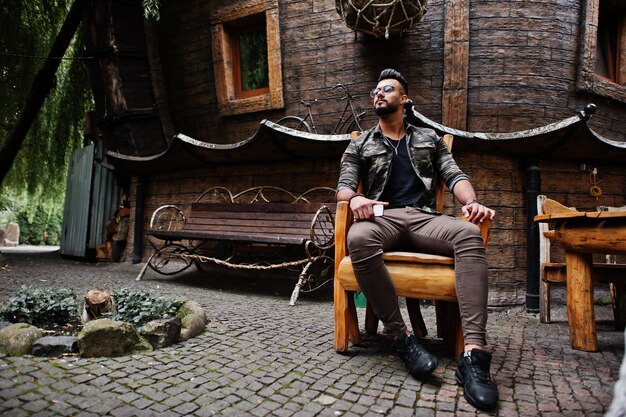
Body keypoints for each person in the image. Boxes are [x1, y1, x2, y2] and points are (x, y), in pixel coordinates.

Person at [336, 68, 499, 411]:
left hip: (423, 218)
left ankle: (474, 353)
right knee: (359, 236)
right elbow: (344, 186)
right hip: (383, 218)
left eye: (387, 89)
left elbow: (455, 176)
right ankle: (401, 337)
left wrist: (471, 203)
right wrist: (355, 200)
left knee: (469, 233)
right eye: (375, 90)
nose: (378, 94)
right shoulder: (359, 143)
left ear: (404, 99)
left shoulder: (430, 139)